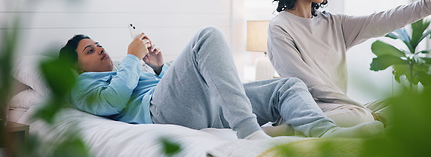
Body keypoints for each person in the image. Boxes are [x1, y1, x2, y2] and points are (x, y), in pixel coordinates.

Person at [60, 26, 384, 140]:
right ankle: (251, 134)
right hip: (163, 113)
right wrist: (132, 57)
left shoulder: (126, 68)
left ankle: (326, 133)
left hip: (204, 108)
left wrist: (158, 68)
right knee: (207, 36)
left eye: (99, 43)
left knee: (287, 85)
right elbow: (114, 101)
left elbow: (181, 81)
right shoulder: (81, 86)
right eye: (90, 50)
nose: (100, 49)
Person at [267, 0, 431, 127]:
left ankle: (361, 118)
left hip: (342, 109)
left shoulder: (333, 23)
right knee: (361, 118)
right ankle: (279, 131)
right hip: (306, 110)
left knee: (403, 107)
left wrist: (426, 5)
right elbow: (305, 82)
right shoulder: (280, 27)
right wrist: (361, 110)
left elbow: (380, 21)